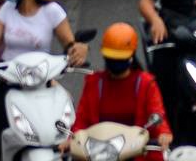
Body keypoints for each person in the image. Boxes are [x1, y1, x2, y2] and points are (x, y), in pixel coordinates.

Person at [0, 0, 88, 158]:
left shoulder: (52, 11)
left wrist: (77, 50)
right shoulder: (7, 9)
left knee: (66, 104)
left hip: (40, 78)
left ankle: (63, 149)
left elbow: (69, 44)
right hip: (7, 78)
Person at [70, 22, 170, 152]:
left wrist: (163, 133)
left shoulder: (146, 83)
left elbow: (157, 112)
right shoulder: (94, 82)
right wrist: (72, 140)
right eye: (112, 58)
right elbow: (82, 119)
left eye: (120, 58)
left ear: (131, 56)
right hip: (100, 151)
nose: (115, 63)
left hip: (138, 152)